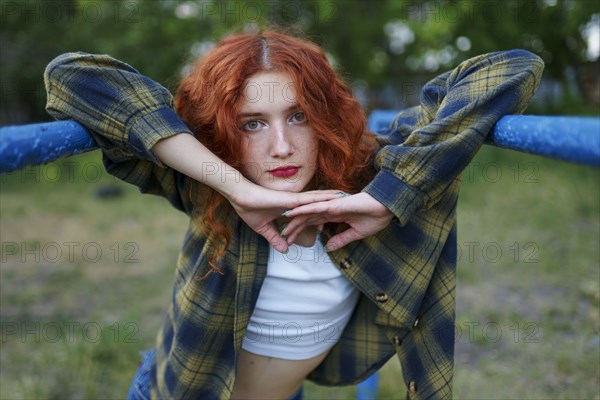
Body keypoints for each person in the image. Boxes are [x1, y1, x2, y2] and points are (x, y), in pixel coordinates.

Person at [44, 29, 544, 400]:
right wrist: (231, 183)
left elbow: (515, 67)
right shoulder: (206, 185)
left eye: (298, 116)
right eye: (252, 123)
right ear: (223, 132)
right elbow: (70, 76)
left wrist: (387, 198)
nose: (281, 147)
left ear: (324, 116)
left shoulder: (369, 173)